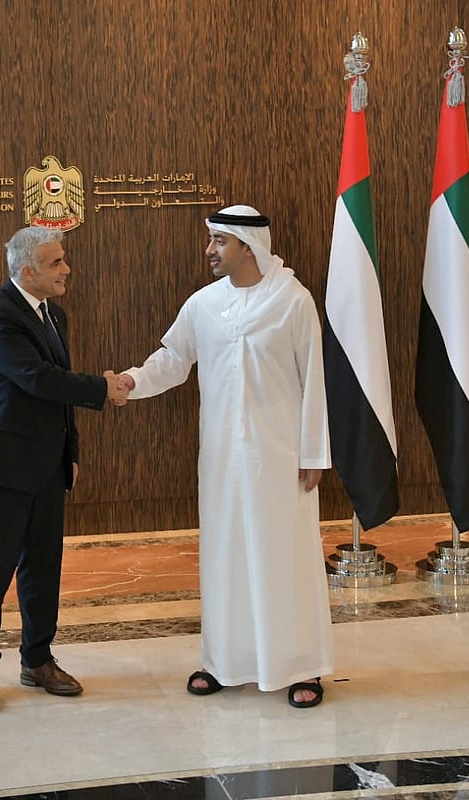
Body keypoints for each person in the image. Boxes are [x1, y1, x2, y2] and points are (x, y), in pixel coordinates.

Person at [117, 205, 333, 708]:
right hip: (220, 458)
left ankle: (302, 666)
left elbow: (315, 381)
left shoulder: (292, 301)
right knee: (224, 557)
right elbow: (172, 360)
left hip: (279, 457)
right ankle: (224, 662)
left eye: (219, 241)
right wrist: (133, 381)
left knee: (285, 558)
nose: (209, 251)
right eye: (211, 240)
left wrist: (315, 451)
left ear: (247, 246)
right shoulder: (203, 304)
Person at [0, 225, 129, 713]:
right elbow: (36, 379)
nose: (67, 269)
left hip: (48, 467)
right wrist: (102, 388)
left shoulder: (54, 313)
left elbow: (56, 400)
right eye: (57, 263)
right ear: (27, 270)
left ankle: (37, 660)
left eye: (64, 260)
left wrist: (71, 451)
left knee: (43, 571)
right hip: (2, 467)